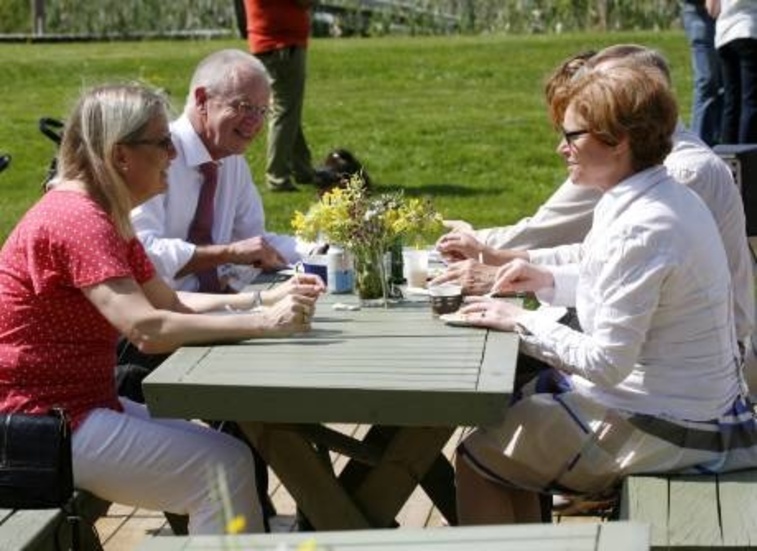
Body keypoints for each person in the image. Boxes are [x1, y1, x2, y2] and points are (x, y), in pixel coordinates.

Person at [0, 83, 322, 534]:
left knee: (231, 459)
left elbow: (170, 302)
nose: (173, 153)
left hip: (76, 407)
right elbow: (147, 329)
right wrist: (266, 322)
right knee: (222, 472)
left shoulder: (103, 213)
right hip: (37, 426)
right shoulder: (79, 221)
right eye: (161, 142)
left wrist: (261, 299)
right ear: (120, 156)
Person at [453, 64, 757, 526]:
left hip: (671, 429)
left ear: (619, 141)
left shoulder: (645, 222)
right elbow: (620, 283)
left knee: (479, 457)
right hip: (691, 407)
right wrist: (544, 280)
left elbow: (607, 362)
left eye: (572, 135)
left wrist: (519, 320)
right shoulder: (656, 195)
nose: (561, 148)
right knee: (506, 432)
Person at [434, 44, 754, 348]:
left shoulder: (678, 175)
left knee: (510, 371)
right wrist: (499, 259)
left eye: (603, 90)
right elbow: (593, 254)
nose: (561, 145)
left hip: (695, 359)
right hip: (653, 345)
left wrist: (515, 298)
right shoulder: (632, 167)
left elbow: (612, 350)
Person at [132, 49, 310, 294]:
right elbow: (141, 251)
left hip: (219, 305)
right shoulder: (155, 155)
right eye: (244, 106)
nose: (255, 122)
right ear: (203, 100)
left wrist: (323, 250)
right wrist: (227, 254)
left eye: (262, 111)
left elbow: (254, 241)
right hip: (163, 313)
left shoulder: (232, 161)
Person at [243, 0, 318, 192]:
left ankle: (302, 168)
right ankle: (277, 176)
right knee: (284, 110)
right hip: (282, 45)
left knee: (288, 110)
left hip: (267, 43)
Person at [708, 0, 757, 143]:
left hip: (724, 35)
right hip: (749, 29)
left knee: (731, 103)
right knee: (751, 101)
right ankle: (747, 156)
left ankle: (728, 154)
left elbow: (712, 9)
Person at [682, 0, 723, 145]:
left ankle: (719, 140)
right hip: (699, 14)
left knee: (725, 84)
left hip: (729, 16)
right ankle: (698, 142)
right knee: (707, 81)